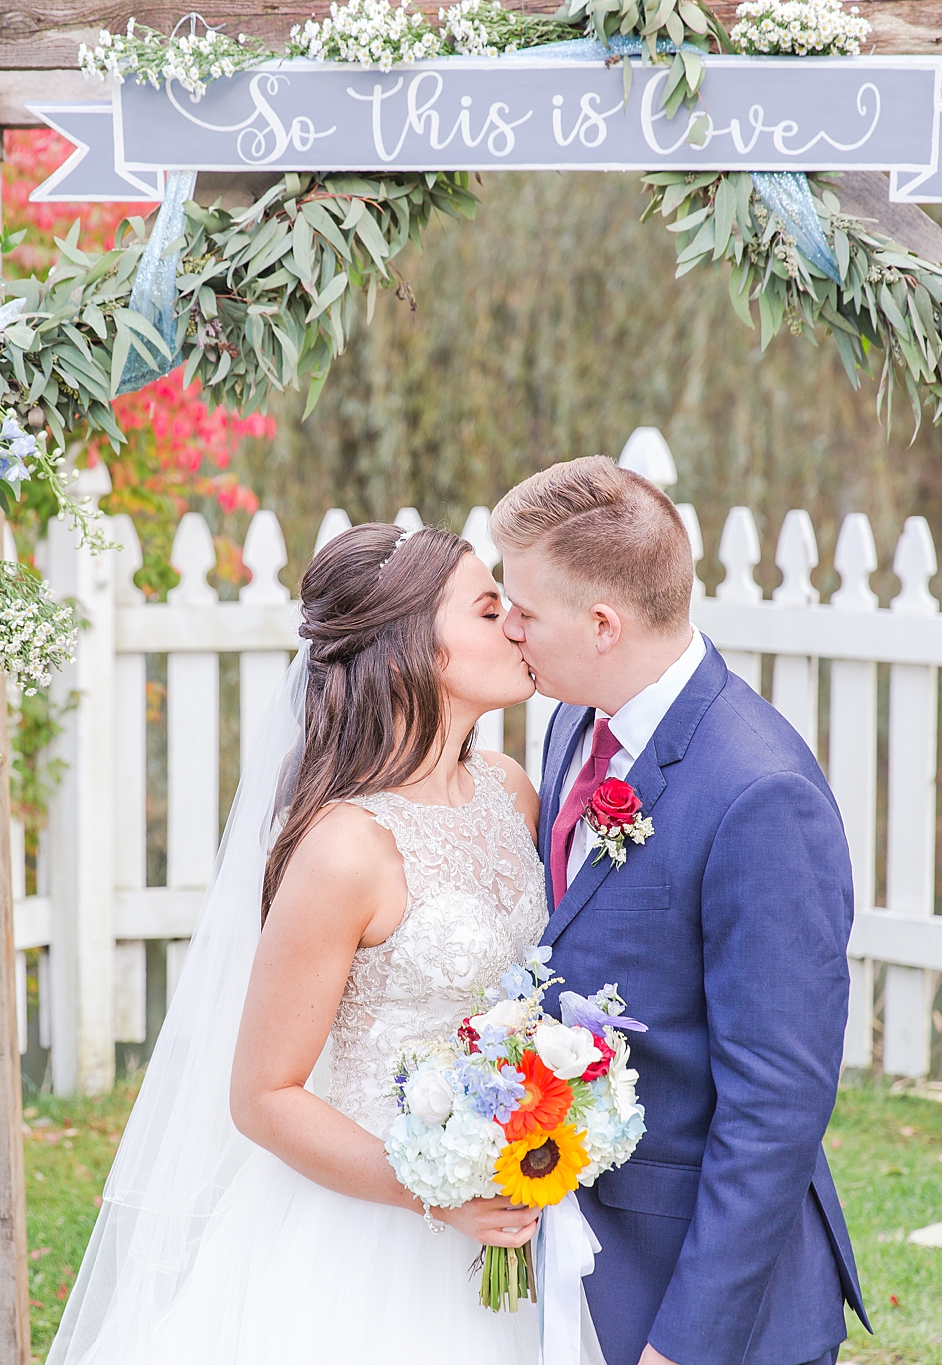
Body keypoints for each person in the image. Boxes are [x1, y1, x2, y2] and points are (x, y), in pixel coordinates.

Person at [48, 521, 602, 1363]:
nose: (516, 625)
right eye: (489, 610)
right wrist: (437, 1191)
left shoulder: (511, 791)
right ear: (416, 648)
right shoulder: (347, 848)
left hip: (516, 1205)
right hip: (370, 1236)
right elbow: (263, 1094)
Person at [492, 457, 868, 1365]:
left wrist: (685, 1347)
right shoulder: (572, 722)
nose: (506, 628)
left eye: (524, 611)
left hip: (709, 1304)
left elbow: (777, 1103)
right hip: (584, 1261)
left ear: (603, 624)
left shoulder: (760, 791)